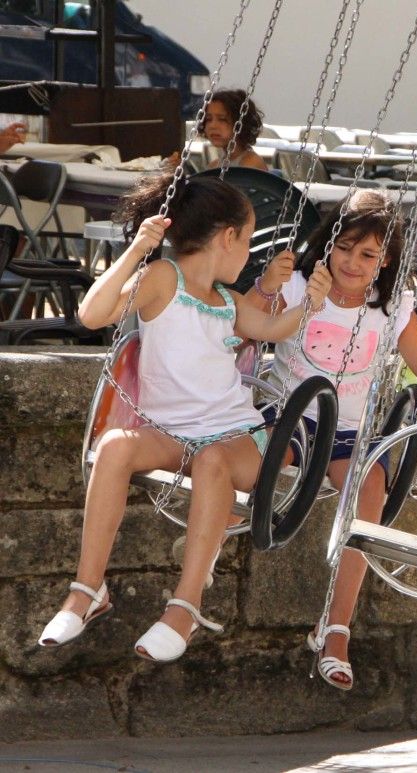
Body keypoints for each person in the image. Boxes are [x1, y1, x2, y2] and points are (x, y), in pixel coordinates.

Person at [37, 171, 331, 663]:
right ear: (228, 237)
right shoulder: (162, 280)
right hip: (171, 437)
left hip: (236, 440)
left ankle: (186, 606)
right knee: (113, 446)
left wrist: (312, 303)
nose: (249, 255)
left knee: (214, 460)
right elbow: (91, 315)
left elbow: (275, 327)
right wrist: (136, 251)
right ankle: (87, 590)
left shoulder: (227, 301)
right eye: (249, 239)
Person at [250, 190, 417, 690]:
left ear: (384, 261)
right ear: (329, 244)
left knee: (370, 489)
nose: (352, 262)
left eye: (367, 254)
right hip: (292, 417)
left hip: (348, 434)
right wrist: (268, 284)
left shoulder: (390, 307)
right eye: (345, 247)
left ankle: (336, 627)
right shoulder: (303, 285)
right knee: (264, 460)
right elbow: (248, 326)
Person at [199, 89, 270, 172]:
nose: (212, 126)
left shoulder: (251, 164)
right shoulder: (213, 166)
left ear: (240, 123)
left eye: (222, 119)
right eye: (208, 119)